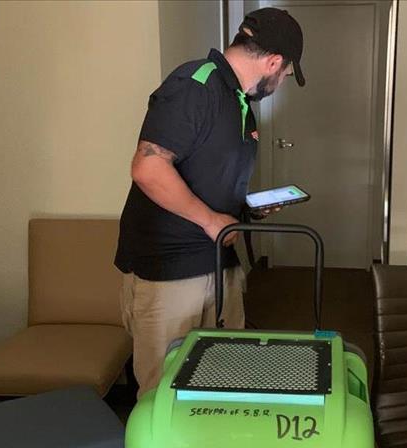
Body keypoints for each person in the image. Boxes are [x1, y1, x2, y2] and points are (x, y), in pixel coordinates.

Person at [115, 8, 305, 399]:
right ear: (273, 62)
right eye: (286, 74)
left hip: (219, 261)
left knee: (222, 380)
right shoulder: (194, 84)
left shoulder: (238, 101)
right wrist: (210, 220)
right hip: (171, 268)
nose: (282, 82)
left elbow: (209, 178)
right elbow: (148, 167)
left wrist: (244, 211)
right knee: (164, 394)